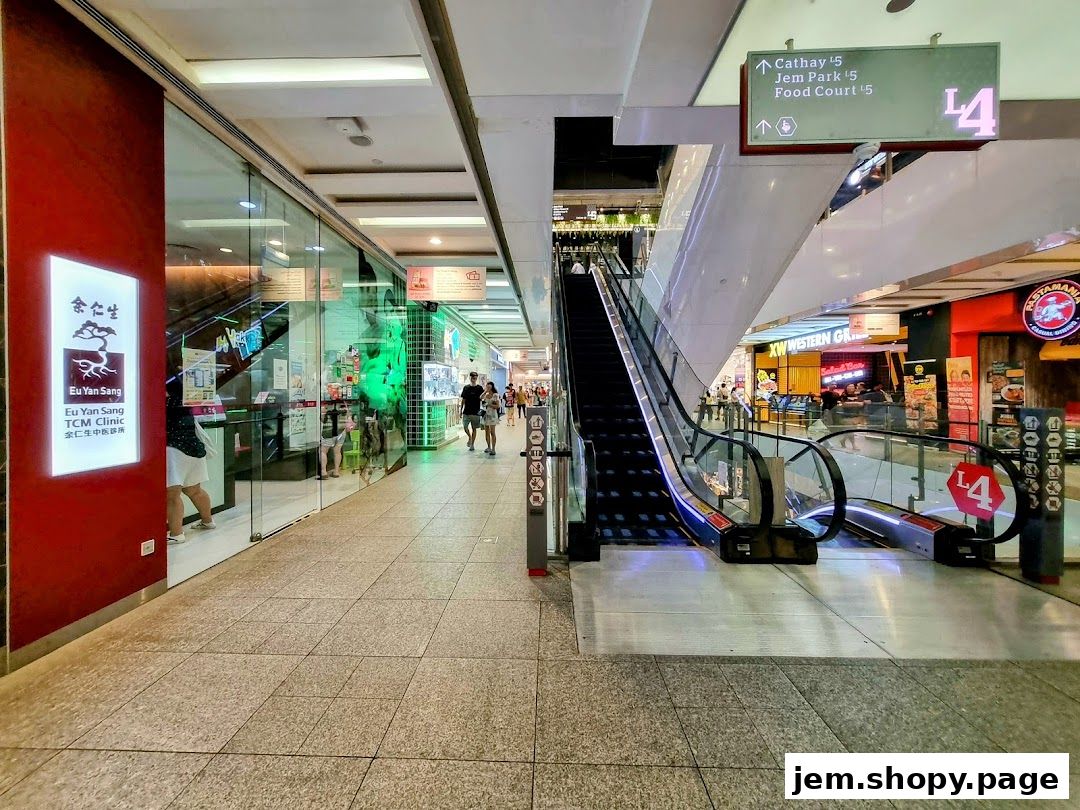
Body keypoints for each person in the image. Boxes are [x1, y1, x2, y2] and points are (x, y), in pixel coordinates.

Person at [165, 378, 216, 544]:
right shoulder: (185, 402)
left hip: (174, 450)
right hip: (194, 448)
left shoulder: (166, 403)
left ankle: (176, 533)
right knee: (194, 490)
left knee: (172, 494)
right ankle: (208, 521)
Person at [319, 402, 353, 479]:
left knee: (323, 451)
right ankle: (336, 471)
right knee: (337, 452)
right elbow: (348, 415)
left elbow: (322, 419)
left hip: (328, 431)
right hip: (341, 431)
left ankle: (323, 472)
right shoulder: (343, 403)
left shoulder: (325, 404)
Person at [459, 371, 484, 451]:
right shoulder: (466, 388)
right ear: (470, 378)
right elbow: (463, 399)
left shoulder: (479, 388)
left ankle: (472, 444)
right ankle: (469, 437)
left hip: (475, 412)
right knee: (465, 427)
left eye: (475, 378)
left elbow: (482, 399)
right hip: (466, 411)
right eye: (473, 377)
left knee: (474, 428)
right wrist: (460, 410)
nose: (474, 379)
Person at [480, 381, 502, 455]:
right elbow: (480, 398)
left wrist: (489, 404)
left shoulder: (495, 395)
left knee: (492, 432)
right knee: (486, 432)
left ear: (492, 387)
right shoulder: (486, 395)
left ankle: (493, 449)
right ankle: (488, 447)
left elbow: (498, 406)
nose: (488, 388)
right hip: (486, 415)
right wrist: (485, 391)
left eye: (489, 387)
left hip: (492, 415)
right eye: (487, 387)